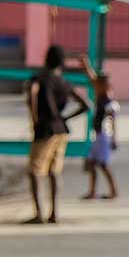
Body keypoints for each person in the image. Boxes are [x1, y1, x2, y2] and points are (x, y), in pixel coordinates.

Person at [25, 46, 90, 224]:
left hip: (45, 129)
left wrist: (35, 118)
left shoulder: (39, 79)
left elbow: (32, 94)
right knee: (54, 171)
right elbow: (86, 105)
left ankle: (38, 213)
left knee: (35, 171)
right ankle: (54, 213)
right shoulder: (64, 82)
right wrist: (64, 118)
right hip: (61, 130)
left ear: (46, 59)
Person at [82, 72, 120, 200]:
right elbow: (93, 79)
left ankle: (113, 191)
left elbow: (113, 122)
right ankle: (92, 191)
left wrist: (114, 138)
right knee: (92, 163)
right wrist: (86, 66)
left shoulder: (109, 102)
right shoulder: (101, 96)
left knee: (103, 164)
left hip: (104, 136)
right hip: (97, 135)